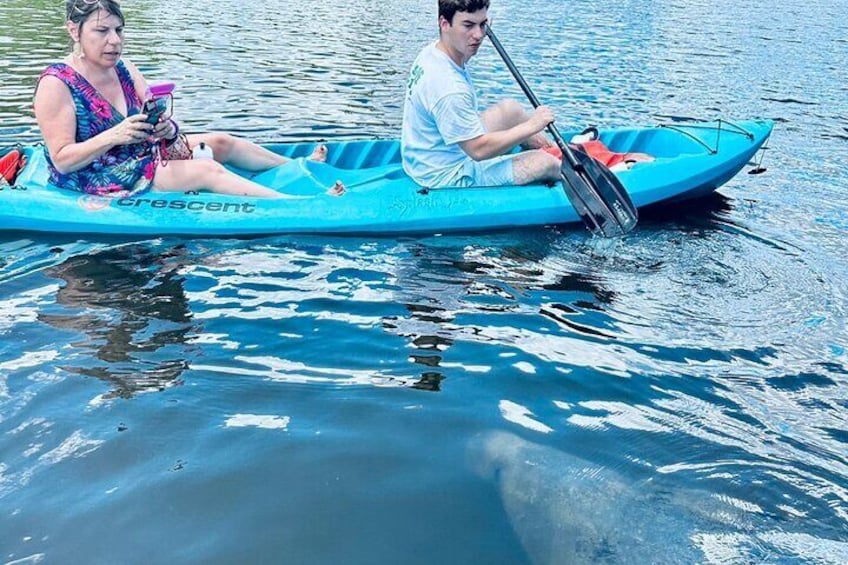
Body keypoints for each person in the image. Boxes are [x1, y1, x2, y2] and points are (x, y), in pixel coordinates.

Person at [34, 0, 343, 199]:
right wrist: (114, 135)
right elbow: (62, 159)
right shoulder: (57, 84)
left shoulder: (124, 67)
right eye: (102, 31)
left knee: (221, 142)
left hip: (140, 152)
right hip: (95, 174)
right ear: (75, 30)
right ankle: (301, 204)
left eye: (118, 30)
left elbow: (154, 112)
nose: (114, 41)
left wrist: (165, 128)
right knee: (206, 171)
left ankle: (298, 164)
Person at [401, 0, 561, 189]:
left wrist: (529, 126)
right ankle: (567, 168)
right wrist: (533, 125)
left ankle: (559, 152)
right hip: (444, 173)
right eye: (468, 25)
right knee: (545, 163)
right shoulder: (449, 86)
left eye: (483, 24)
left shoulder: (434, 51)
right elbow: (478, 150)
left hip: (429, 153)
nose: (478, 35)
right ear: (444, 24)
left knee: (511, 111)